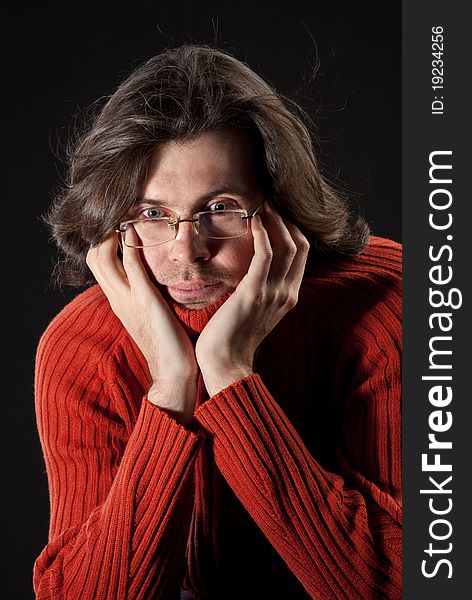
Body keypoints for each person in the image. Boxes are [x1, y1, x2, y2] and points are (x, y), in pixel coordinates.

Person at [33, 44, 401, 599]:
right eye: (152, 214)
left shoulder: (388, 308)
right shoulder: (83, 346)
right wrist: (170, 386)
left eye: (221, 208)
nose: (187, 251)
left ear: (279, 211)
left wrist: (229, 372)